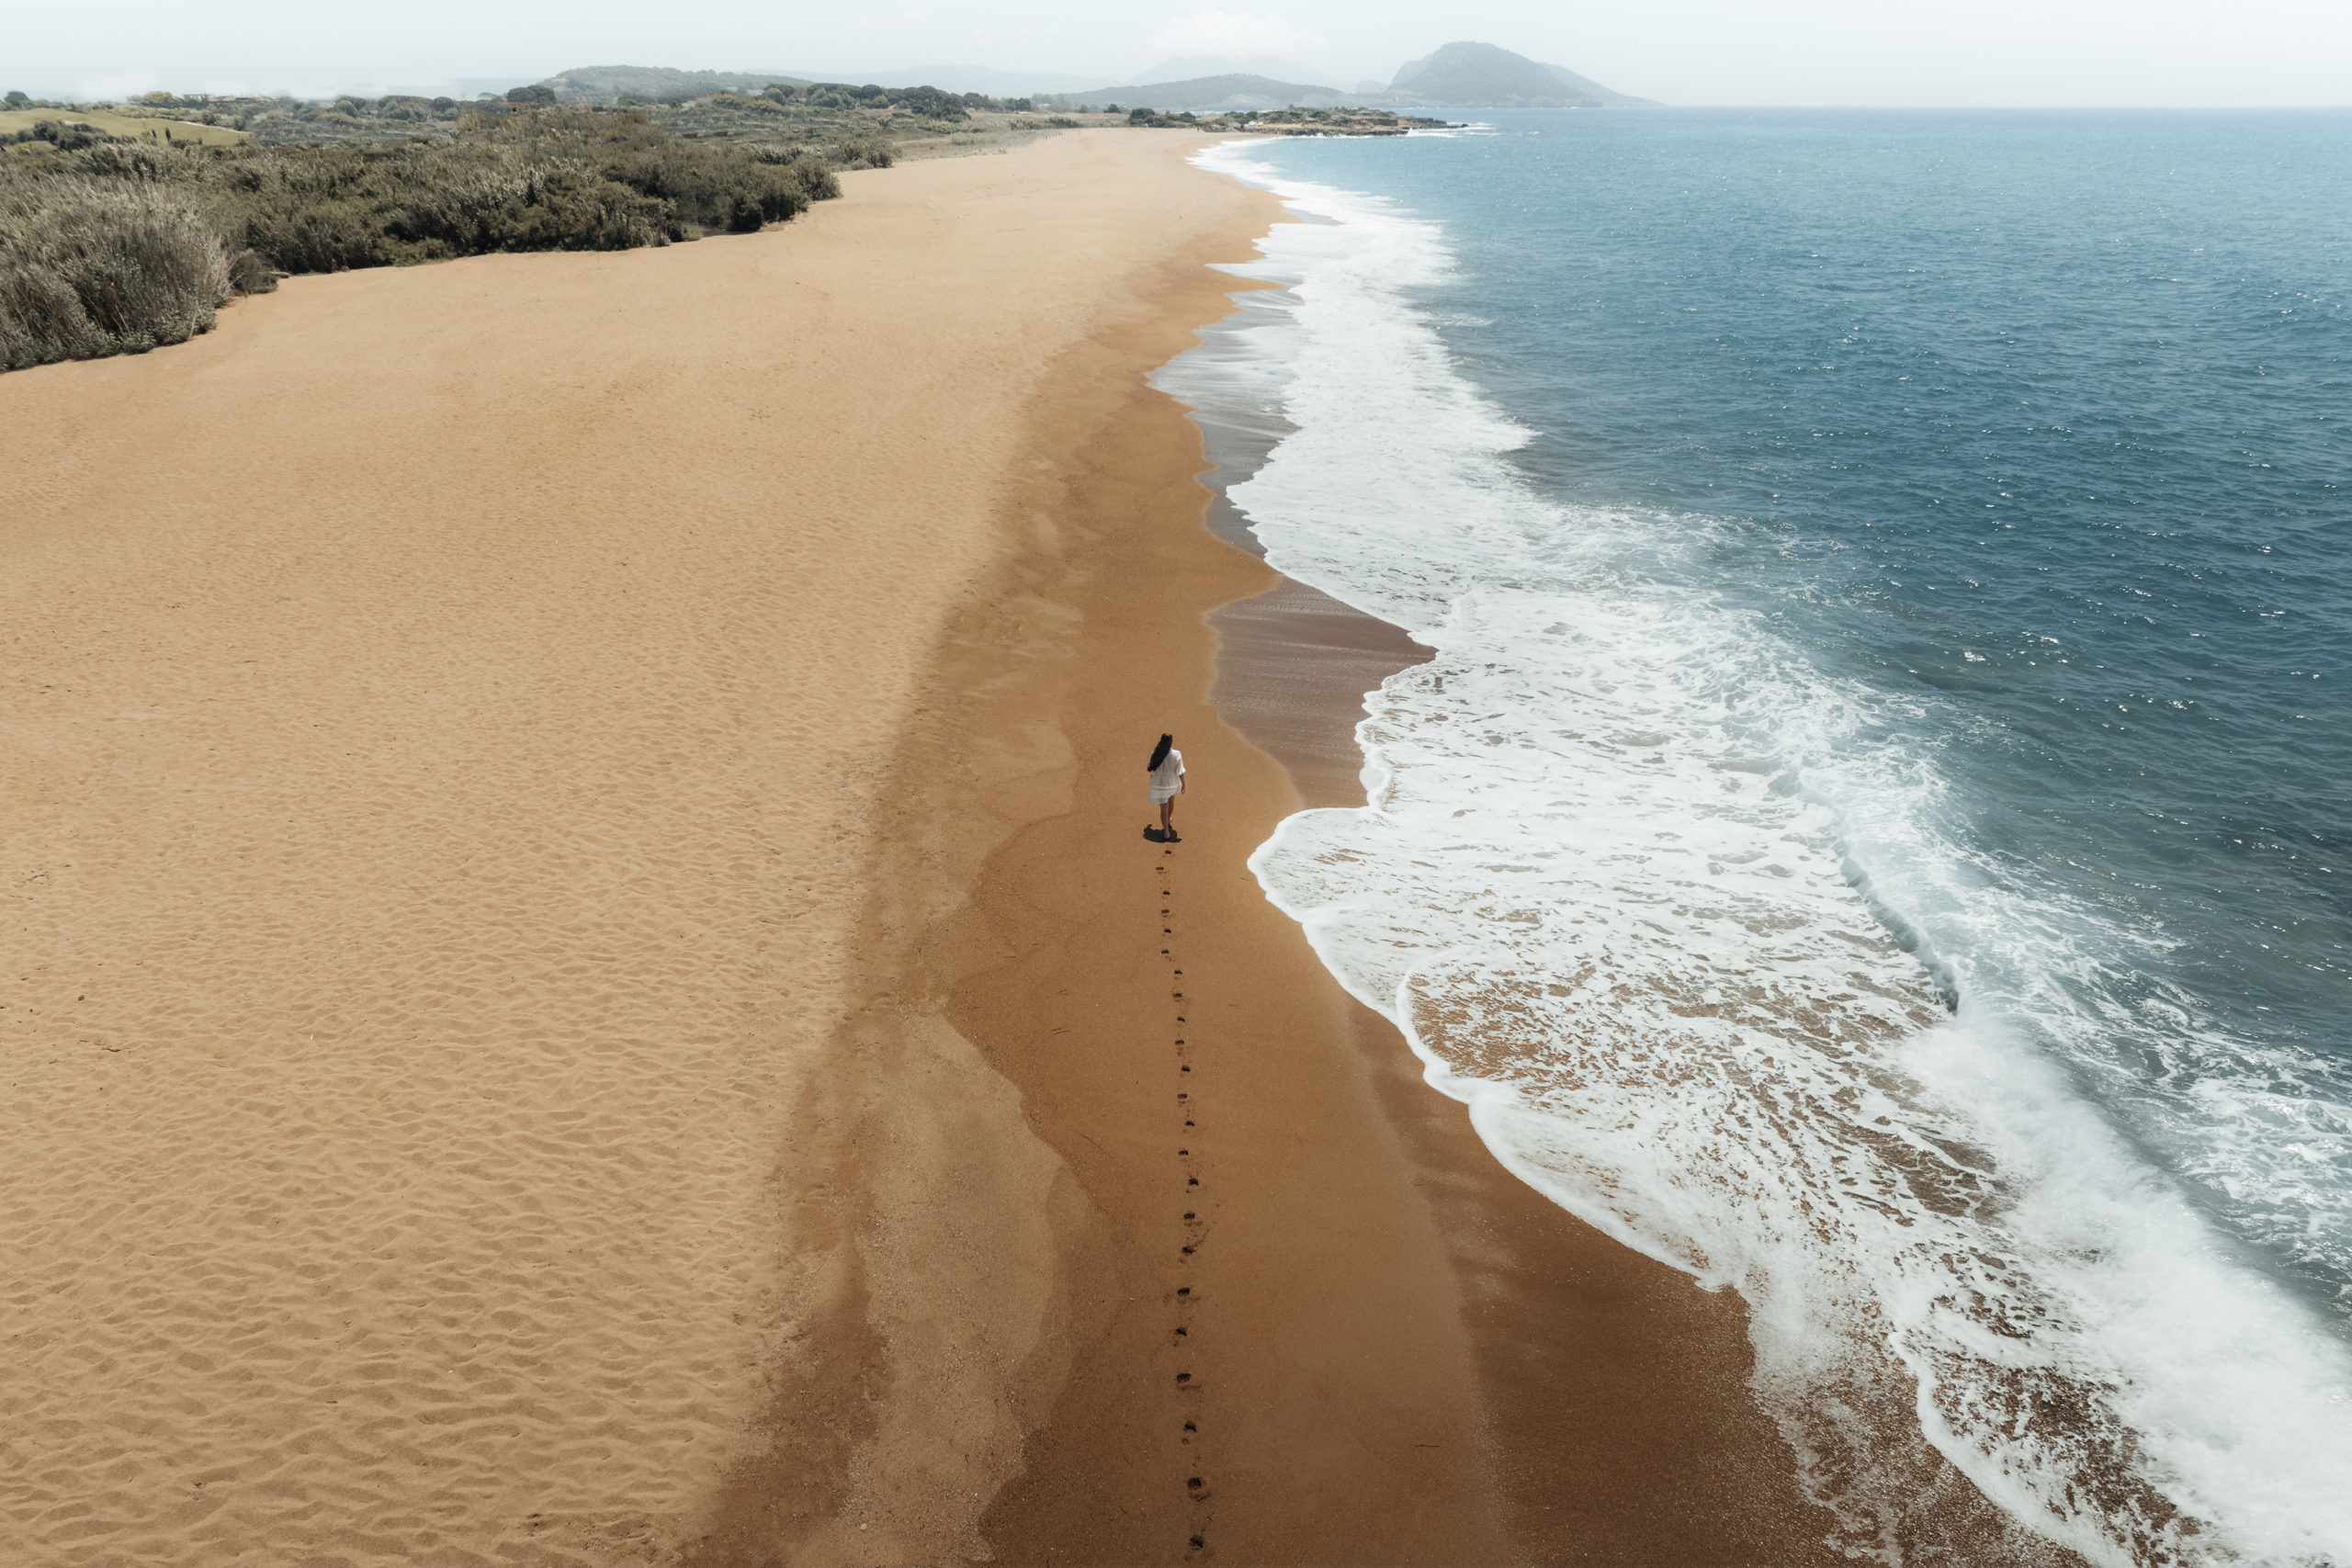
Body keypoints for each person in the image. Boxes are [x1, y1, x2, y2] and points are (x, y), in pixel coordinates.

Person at [1147, 732, 1185, 841]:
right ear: (1171, 742)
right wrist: (1184, 784)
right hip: (1173, 782)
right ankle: (1168, 819)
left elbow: (1151, 770)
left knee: (1164, 807)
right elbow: (1180, 771)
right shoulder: (1177, 754)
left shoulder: (1154, 753)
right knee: (1171, 800)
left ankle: (1166, 832)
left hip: (1159, 783)